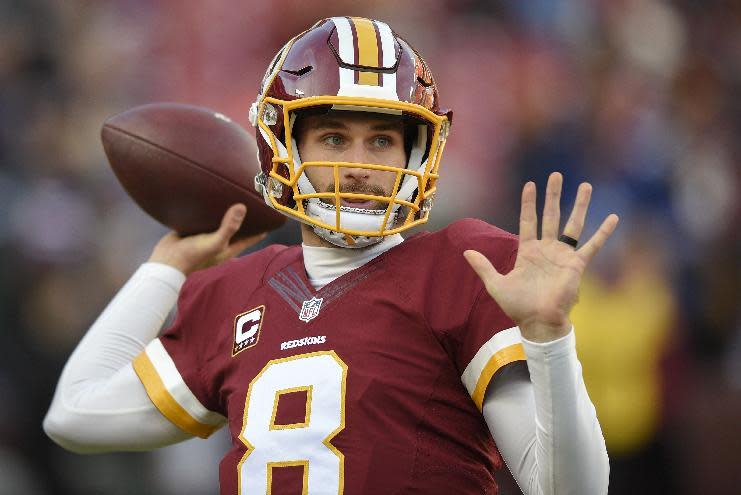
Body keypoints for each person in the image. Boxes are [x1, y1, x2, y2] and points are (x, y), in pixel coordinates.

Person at [44, 17, 616, 495]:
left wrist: (549, 337)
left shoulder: (462, 267)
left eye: (382, 140)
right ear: (284, 146)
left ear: (418, 153)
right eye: (335, 139)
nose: (361, 165)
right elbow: (74, 413)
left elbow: (571, 490)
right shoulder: (233, 293)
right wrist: (166, 267)